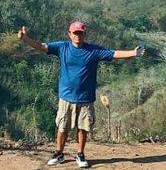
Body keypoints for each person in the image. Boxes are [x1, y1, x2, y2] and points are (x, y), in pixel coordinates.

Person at [18, 21, 144, 168]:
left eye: (80, 33)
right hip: (66, 97)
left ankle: (80, 154)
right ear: (69, 34)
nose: (78, 36)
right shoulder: (62, 47)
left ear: (84, 34)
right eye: (75, 33)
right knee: (62, 127)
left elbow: (114, 53)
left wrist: (134, 53)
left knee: (83, 128)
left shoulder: (94, 51)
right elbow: (41, 46)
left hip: (85, 98)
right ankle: (59, 153)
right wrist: (25, 39)